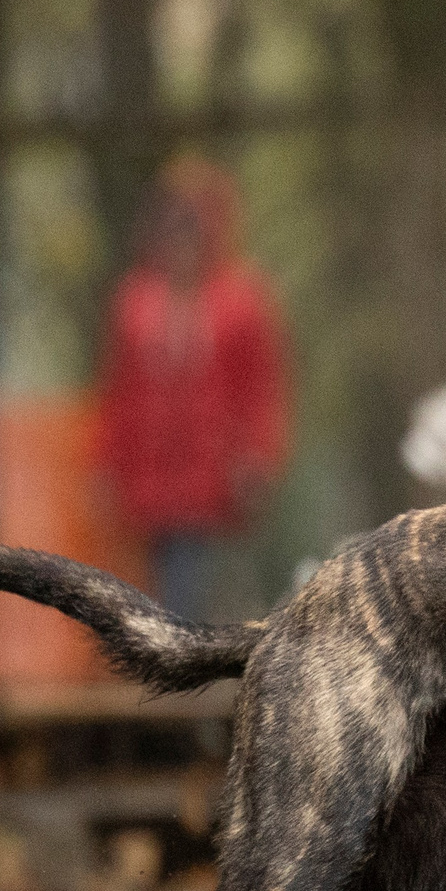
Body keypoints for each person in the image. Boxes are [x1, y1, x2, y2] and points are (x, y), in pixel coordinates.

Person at [97, 158, 291, 622]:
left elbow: (261, 389)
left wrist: (258, 457)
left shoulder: (243, 302)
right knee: (150, 592)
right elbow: (117, 393)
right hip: (147, 481)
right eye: (173, 226)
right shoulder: (136, 301)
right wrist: (105, 464)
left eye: (193, 226)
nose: (182, 239)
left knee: (195, 588)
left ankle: (194, 680)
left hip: (215, 482)